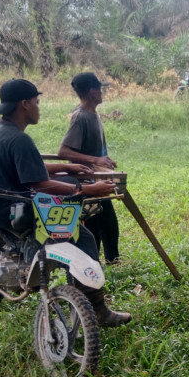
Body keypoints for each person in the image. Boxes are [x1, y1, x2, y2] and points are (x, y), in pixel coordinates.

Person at [0, 78, 131, 327]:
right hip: (15, 211)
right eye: (37, 102)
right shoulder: (19, 139)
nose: (39, 107)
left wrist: (62, 168)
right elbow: (38, 184)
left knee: (67, 182)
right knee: (84, 237)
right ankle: (96, 308)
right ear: (24, 104)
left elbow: (21, 166)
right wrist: (89, 189)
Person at [58, 72, 120, 264]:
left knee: (103, 221)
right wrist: (95, 159)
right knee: (103, 222)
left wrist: (104, 160)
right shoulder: (80, 117)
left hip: (97, 178)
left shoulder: (93, 115)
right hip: (86, 181)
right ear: (92, 91)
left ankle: (106, 260)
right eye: (100, 88)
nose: (102, 92)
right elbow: (64, 152)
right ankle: (106, 261)